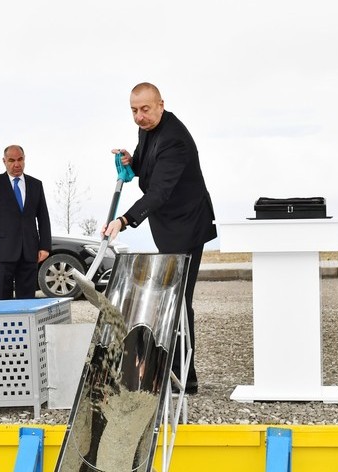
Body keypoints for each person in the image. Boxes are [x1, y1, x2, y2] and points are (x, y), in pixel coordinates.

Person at [105, 82, 217, 394]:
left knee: (179, 301)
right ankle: (173, 370)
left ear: (161, 105)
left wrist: (124, 220)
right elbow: (146, 164)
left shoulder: (175, 140)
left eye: (144, 109)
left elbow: (160, 191)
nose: (139, 117)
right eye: (133, 110)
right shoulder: (148, 129)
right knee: (171, 298)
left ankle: (185, 377)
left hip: (187, 225)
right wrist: (131, 161)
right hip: (167, 224)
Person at [0, 145, 52, 299]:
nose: (16, 164)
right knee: (3, 299)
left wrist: (45, 246)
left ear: (24, 159)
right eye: (11, 160)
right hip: (2, 251)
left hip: (29, 251)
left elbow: (43, 217)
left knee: (27, 299)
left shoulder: (36, 185)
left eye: (20, 159)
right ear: (4, 161)